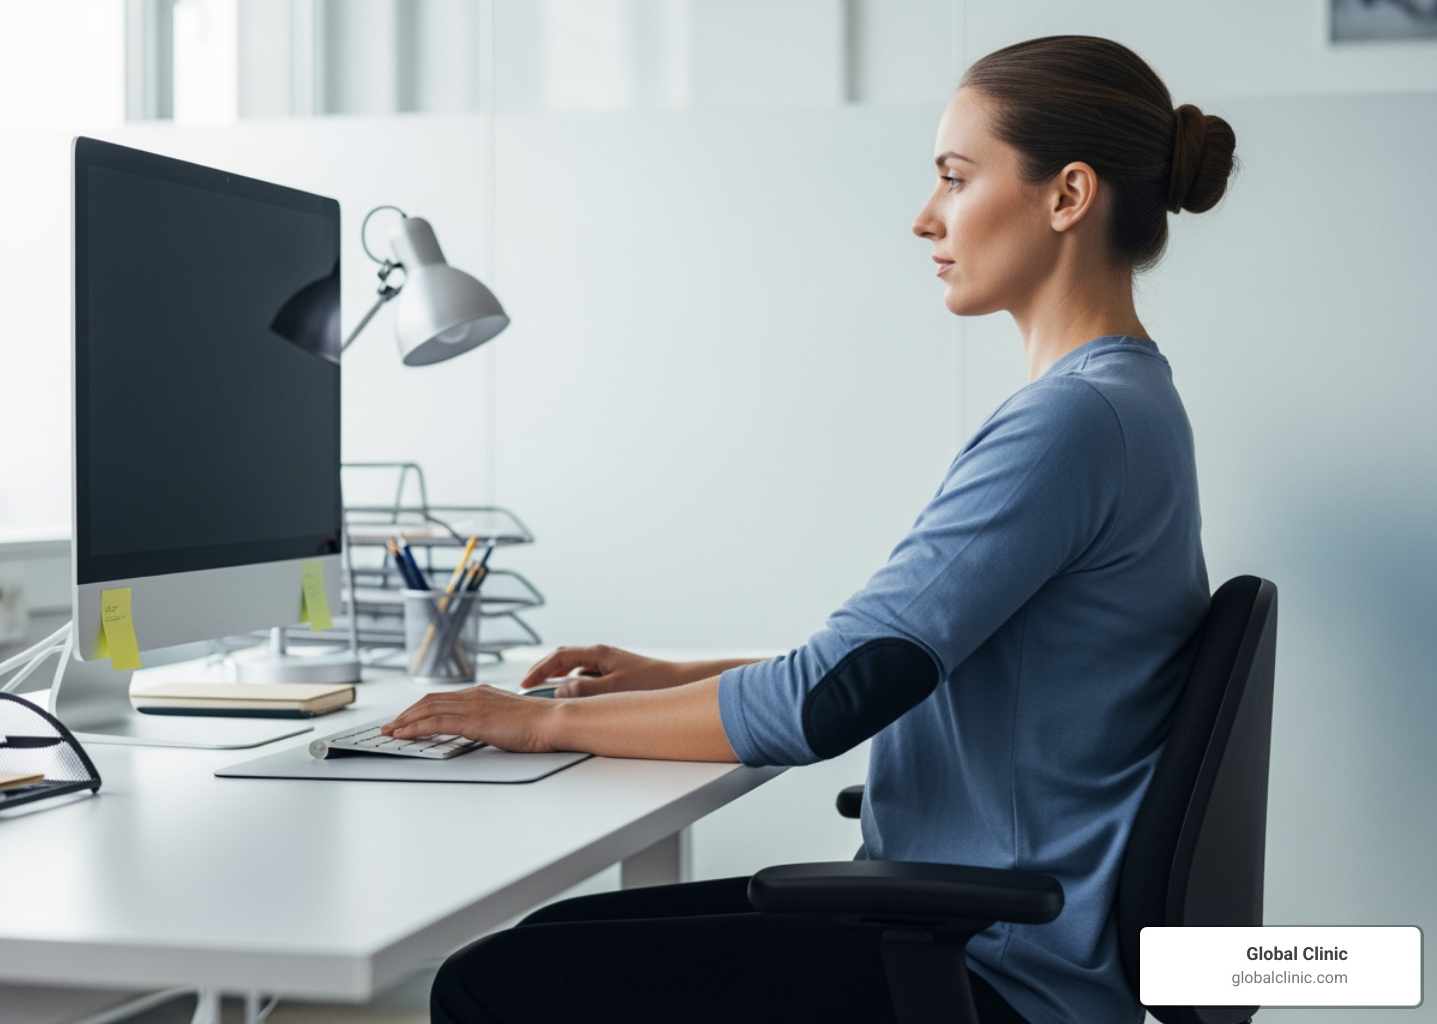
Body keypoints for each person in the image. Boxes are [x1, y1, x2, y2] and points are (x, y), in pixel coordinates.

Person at [385, 35, 1238, 1024]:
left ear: (1067, 196)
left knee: (489, 987)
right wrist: (672, 677)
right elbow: (923, 668)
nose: (926, 217)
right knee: (537, 949)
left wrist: (535, 720)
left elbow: (835, 697)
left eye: (956, 180)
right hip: (1004, 939)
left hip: (999, 970)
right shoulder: (1127, 400)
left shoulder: (1071, 422)